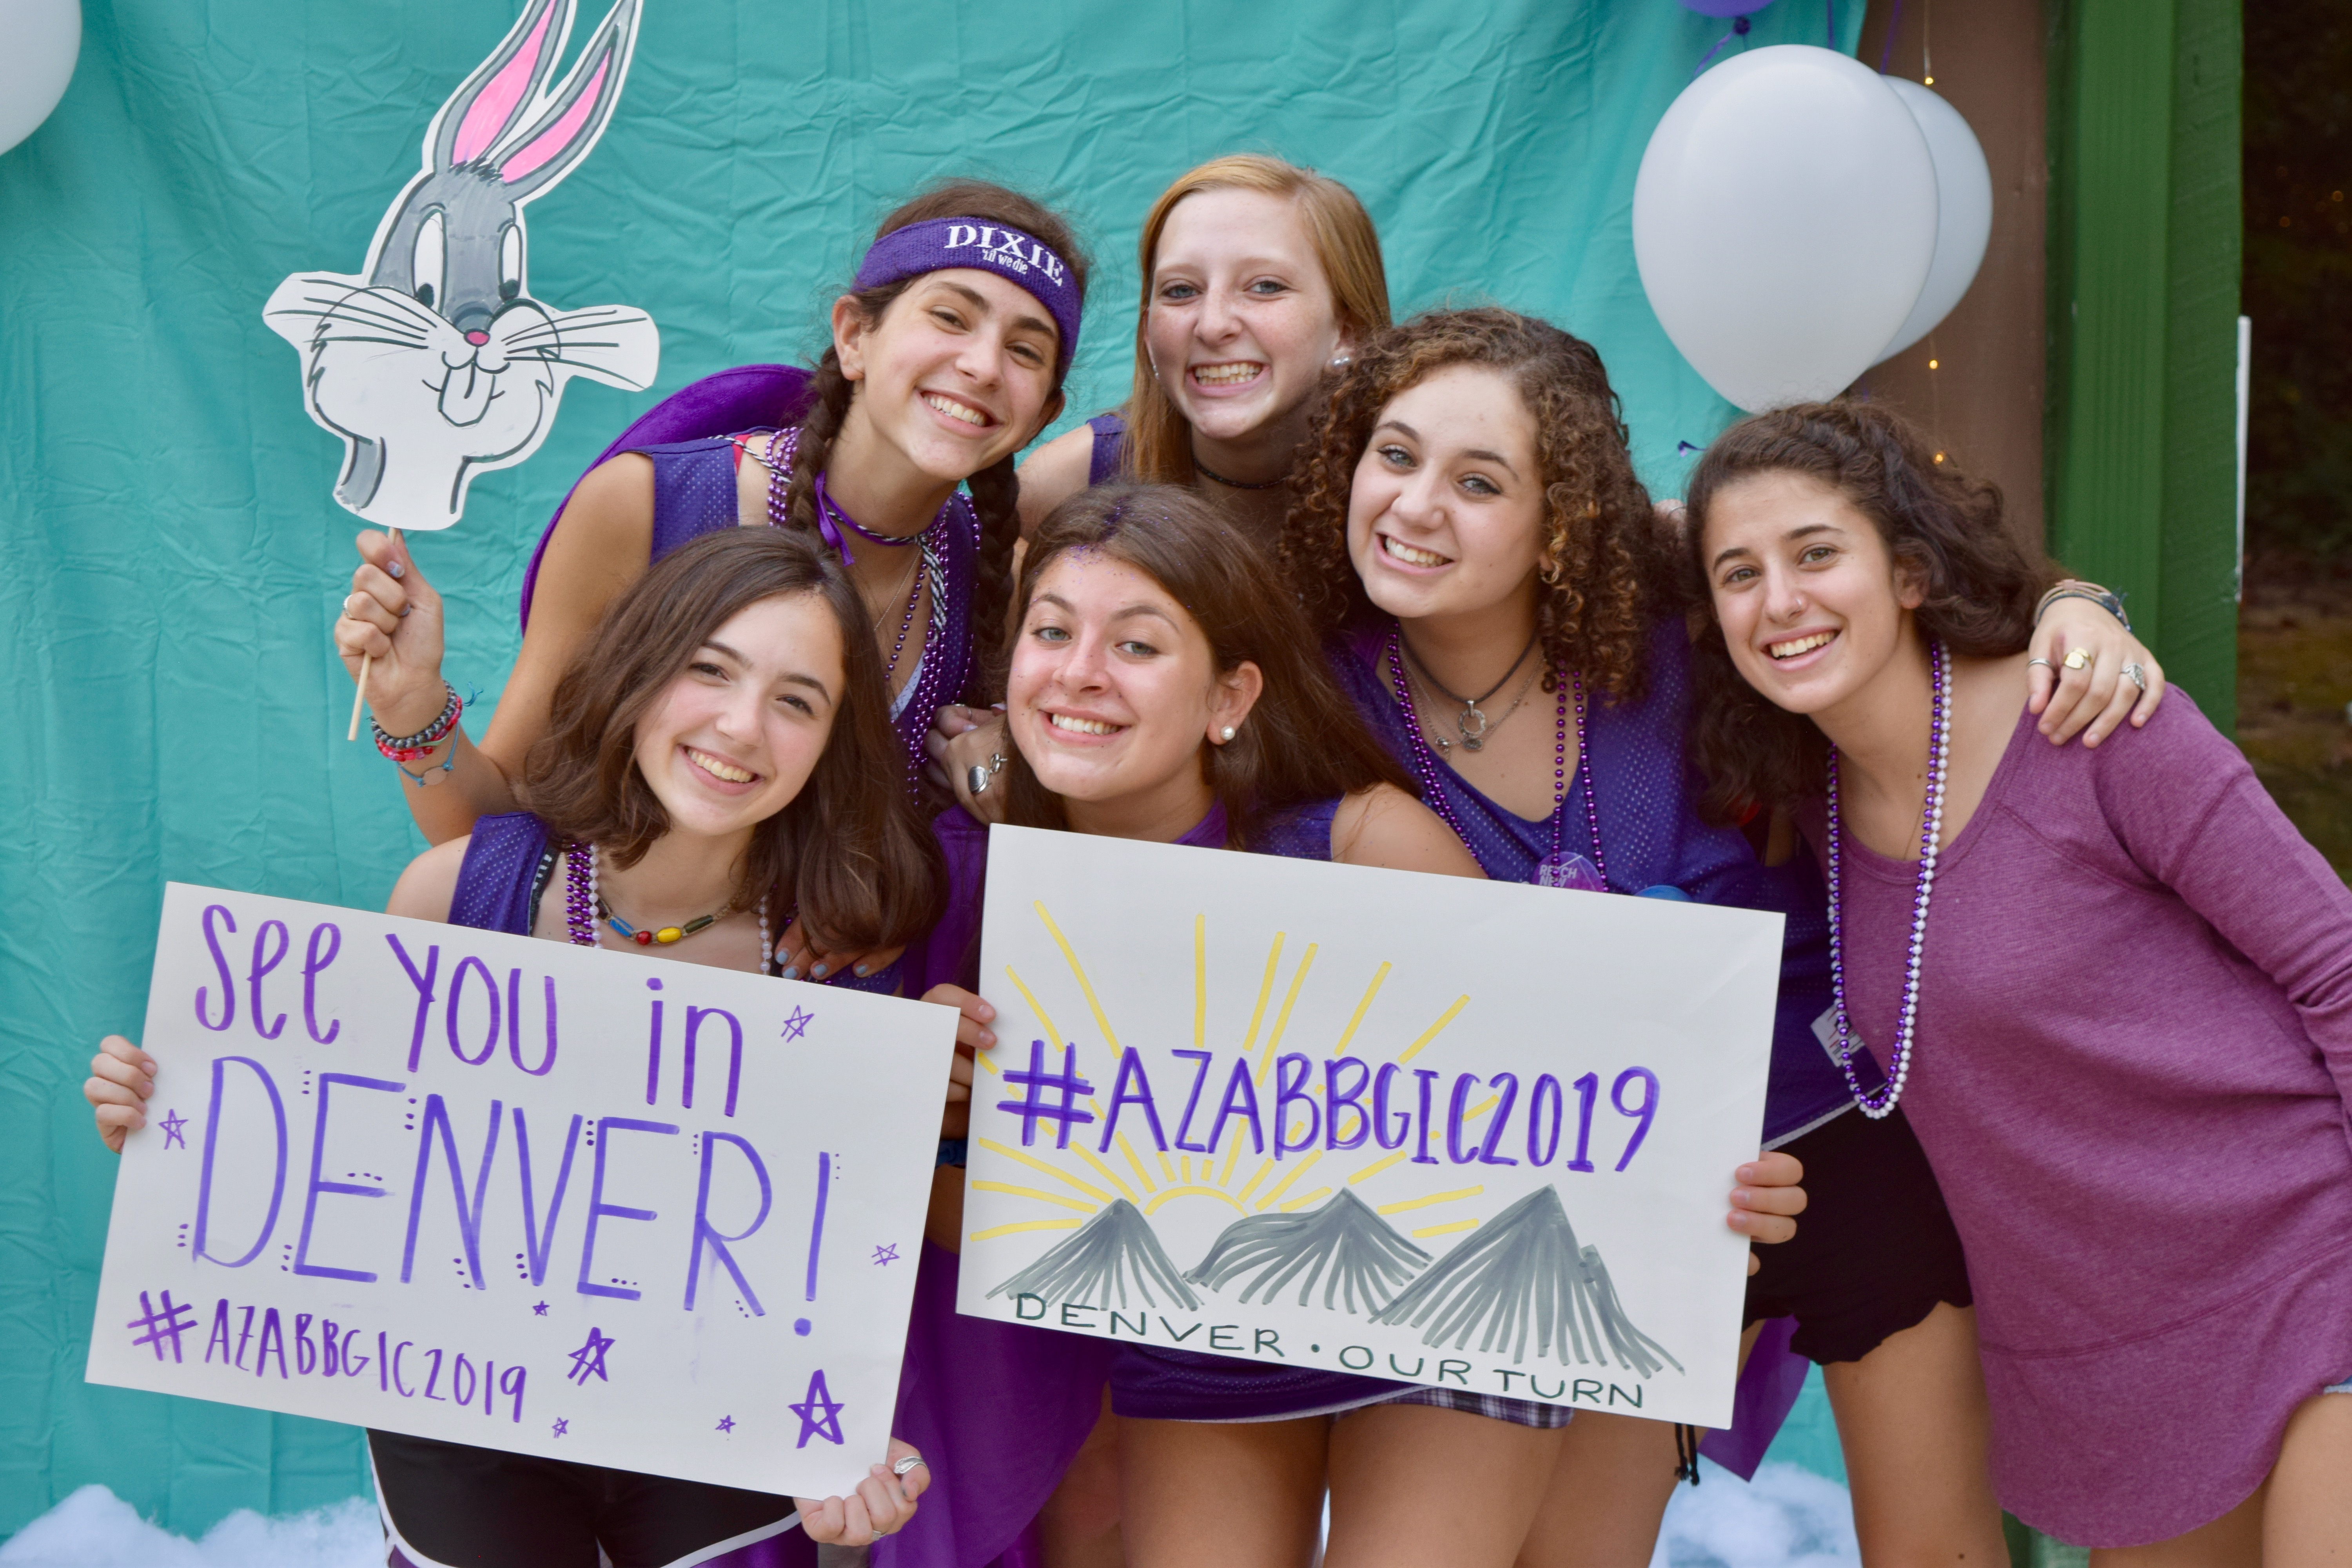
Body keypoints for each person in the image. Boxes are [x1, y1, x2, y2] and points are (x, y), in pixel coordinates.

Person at [1276, 308, 2170, 1567]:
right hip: (1593, 1193)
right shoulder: (1313, 684)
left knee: (1939, 1548)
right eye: (1395, 456)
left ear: (1564, 520)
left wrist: (2080, 604)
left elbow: (1923, 595)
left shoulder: (1688, 620)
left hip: (1835, 1127)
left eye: (1480, 481)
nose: (1418, 505)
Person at [916, 485, 1807, 1568]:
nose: (1080, 671)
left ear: (1229, 696)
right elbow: (1021, 1228)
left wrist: (1703, 1191)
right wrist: (914, 1104)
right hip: (1204, 1336)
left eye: (1138, 644)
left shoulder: (1358, 846)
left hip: (1450, 1324)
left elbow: (1568, 1110)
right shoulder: (984, 885)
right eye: (1051, 632)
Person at [88, 530, 960, 1568]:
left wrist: (855, 1501)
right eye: (710, 671)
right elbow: (340, 1169)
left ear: (830, 746)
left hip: (714, 1433)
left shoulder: (841, 964)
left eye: (797, 700)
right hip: (462, 1416)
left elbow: (846, 1288)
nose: (741, 726)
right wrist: (181, 1130)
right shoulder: (460, 897)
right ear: (640, 673)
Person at [1685, 399, 2352, 1564]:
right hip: (2116, 1363)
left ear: (1908, 571)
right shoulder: (1810, 807)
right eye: (1739, 572)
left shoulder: (2094, 724)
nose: (1778, 600)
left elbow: (2338, 967)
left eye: (1817, 552)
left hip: (2303, 1269)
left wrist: (2075, 606)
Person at [336, 178, 1087, 982]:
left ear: (1043, 412)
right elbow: (497, 832)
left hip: (794, 1031)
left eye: (1024, 348)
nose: (979, 364)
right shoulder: (645, 506)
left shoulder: (991, 574)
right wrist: (413, 709)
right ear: (854, 336)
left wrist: (984, 787)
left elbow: (950, 837)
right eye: (950, 316)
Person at [929, 154, 1386, 809]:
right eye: (1180, 292)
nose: (1214, 324)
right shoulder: (1069, 485)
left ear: (1348, 327)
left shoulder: (1406, 498)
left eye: (1264, 287)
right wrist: (1004, 745)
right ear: (1147, 329)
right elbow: (1033, 695)